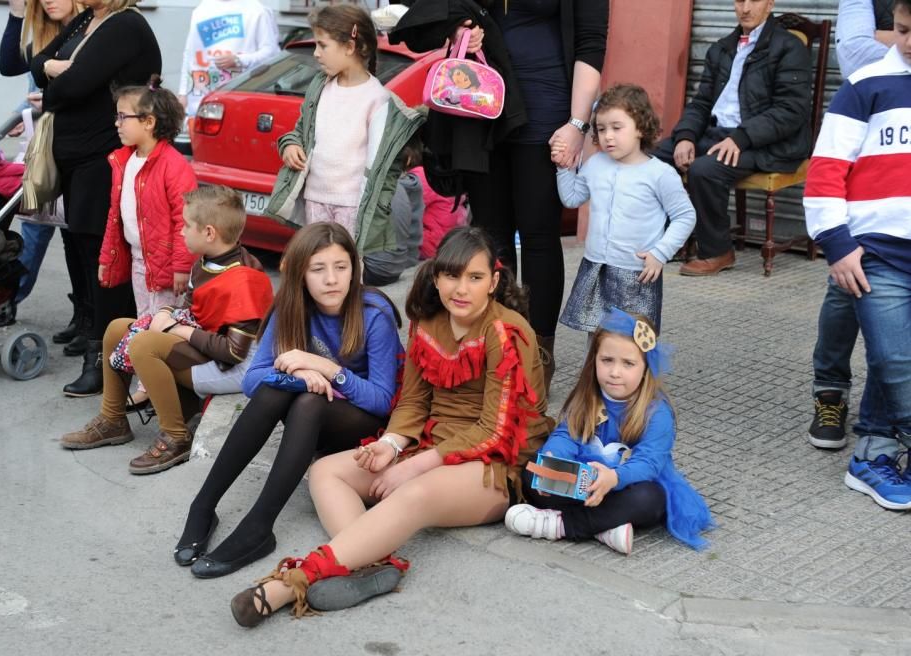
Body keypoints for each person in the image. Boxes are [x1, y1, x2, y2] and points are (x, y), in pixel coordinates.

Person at [225, 226, 554, 628]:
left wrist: (413, 466)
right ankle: (370, 566)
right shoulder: (427, 322)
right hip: (431, 445)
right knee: (326, 471)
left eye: (475, 277)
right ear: (436, 277)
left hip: (496, 465)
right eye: (451, 275)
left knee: (413, 492)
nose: (461, 289)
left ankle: (290, 582)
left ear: (494, 281)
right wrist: (393, 446)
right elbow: (413, 401)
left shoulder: (507, 331)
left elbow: (496, 430)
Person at [390, 0, 610, 388]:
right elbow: (439, 9)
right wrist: (458, 28)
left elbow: (590, 42)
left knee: (539, 232)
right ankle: (497, 344)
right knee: (490, 234)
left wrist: (577, 123)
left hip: (545, 106)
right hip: (478, 105)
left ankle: (538, 351)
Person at [175, 222, 404, 577]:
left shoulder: (373, 312)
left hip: (363, 426)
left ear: (354, 269)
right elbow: (252, 380)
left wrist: (327, 368)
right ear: (300, 274)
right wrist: (297, 374)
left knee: (308, 401)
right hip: (313, 417)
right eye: (318, 269)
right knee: (278, 389)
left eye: (341, 267)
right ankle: (204, 505)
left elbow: (382, 400)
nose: (331, 279)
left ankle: (259, 525)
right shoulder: (291, 307)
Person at [61, 186, 274, 475]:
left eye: (187, 225)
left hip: (233, 369)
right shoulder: (209, 260)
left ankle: (176, 437)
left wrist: (176, 329)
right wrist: (165, 313)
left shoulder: (244, 279)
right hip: (207, 349)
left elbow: (234, 353)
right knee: (117, 329)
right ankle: (113, 421)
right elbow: (189, 308)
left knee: (144, 345)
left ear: (209, 232)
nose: (182, 231)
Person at [802, 0, 911, 511]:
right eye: (904, 31)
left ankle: (874, 450)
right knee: (893, 356)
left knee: (896, 360)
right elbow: (825, 169)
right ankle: (836, 398)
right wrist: (838, 244)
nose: (907, 43)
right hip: (877, 252)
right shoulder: (866, 83)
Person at [31, 0, 162, 397]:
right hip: (77, 159)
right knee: (86, 254)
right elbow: (37, 64)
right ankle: (101, 353)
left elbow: (71, 87)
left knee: (102, 262)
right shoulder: (90, 19)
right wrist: (52, 69)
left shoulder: (125, 26)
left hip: (102, 160)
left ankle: (105, 364)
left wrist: (55, 81)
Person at [505, 308, 713, 554]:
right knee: (532, 472)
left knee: (651, 500)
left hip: (628, 484)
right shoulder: (587, 398)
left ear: (646, 368)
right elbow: (565, 435)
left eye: (628, 363)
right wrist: (552, 459)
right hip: (584, 481)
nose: (615, 372)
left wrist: (613, 478)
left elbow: (648, 463)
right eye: (607, 360)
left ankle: (562, 525)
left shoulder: (657, 413)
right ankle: (606, 527)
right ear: (594, 359)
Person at [653, 0, 811, 277]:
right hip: (720, 134)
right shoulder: (722, 48)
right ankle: (670, 239)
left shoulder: (788, 48)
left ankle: (717, 251)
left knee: (705, 170)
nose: (745, 8)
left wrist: (742, 137)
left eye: (754, 0)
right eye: (739, 0)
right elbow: (701, 102)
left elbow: (791, 111)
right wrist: (686, 136)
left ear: (770, 3)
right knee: (655, 158)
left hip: (768, 143)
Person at [265, 4, 425, 253]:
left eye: (323, 45)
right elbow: (299, 131)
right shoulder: (319, 88)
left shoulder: (377, 99)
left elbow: (382, 165)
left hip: (353, 207)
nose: (316, 53)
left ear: (350, 47)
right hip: (314, 200)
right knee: (315, 264)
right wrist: (291, 145)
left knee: (346, 270)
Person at [555, 84, 695, 335]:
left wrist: (661, 253)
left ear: (640, 127)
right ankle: (596, 375)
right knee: (597, 337)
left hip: (637, 273)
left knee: (635, 340)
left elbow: (685, 216)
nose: (608, 136)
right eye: (601, 128)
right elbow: (572, 198)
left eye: (617, 128)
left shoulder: (660, 174)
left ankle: (639, 376)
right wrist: (564, 166)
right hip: (596, 266)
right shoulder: (595, 164)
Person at [98, 74, 198, 407]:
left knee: (161, 326)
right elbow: (116, 215)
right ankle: (149, 380)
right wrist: (106, 258)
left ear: (149, 122)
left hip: (167, 263)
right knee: (145, 319)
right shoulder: (126, 160)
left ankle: (158, 385)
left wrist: (183, 265)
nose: (117, 123)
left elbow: (185, 220)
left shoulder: (172, 165)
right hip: (141, 260)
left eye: (122, 116)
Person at [0, 0, 86, 344]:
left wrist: (40, 107)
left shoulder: (89, 33)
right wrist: (17, 13)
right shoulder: (44, 34)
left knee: (76, 235)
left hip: (79, 147)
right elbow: (8, 65)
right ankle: (4, 300)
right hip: (47, 150)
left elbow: (76, 92)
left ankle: (87, 316)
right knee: (40, 226)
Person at [178, 0, 279, 120]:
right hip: (200, 104)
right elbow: (189, 54)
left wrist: (239, 60)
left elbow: (271, 53)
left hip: (240, 101)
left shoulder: (257, 10)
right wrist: (183, 92)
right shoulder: (201, 9)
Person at [361, 141, 425, 287]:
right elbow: (413, 234)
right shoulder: (414, 184)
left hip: (376, 271)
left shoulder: (380, 185)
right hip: (405, 263)